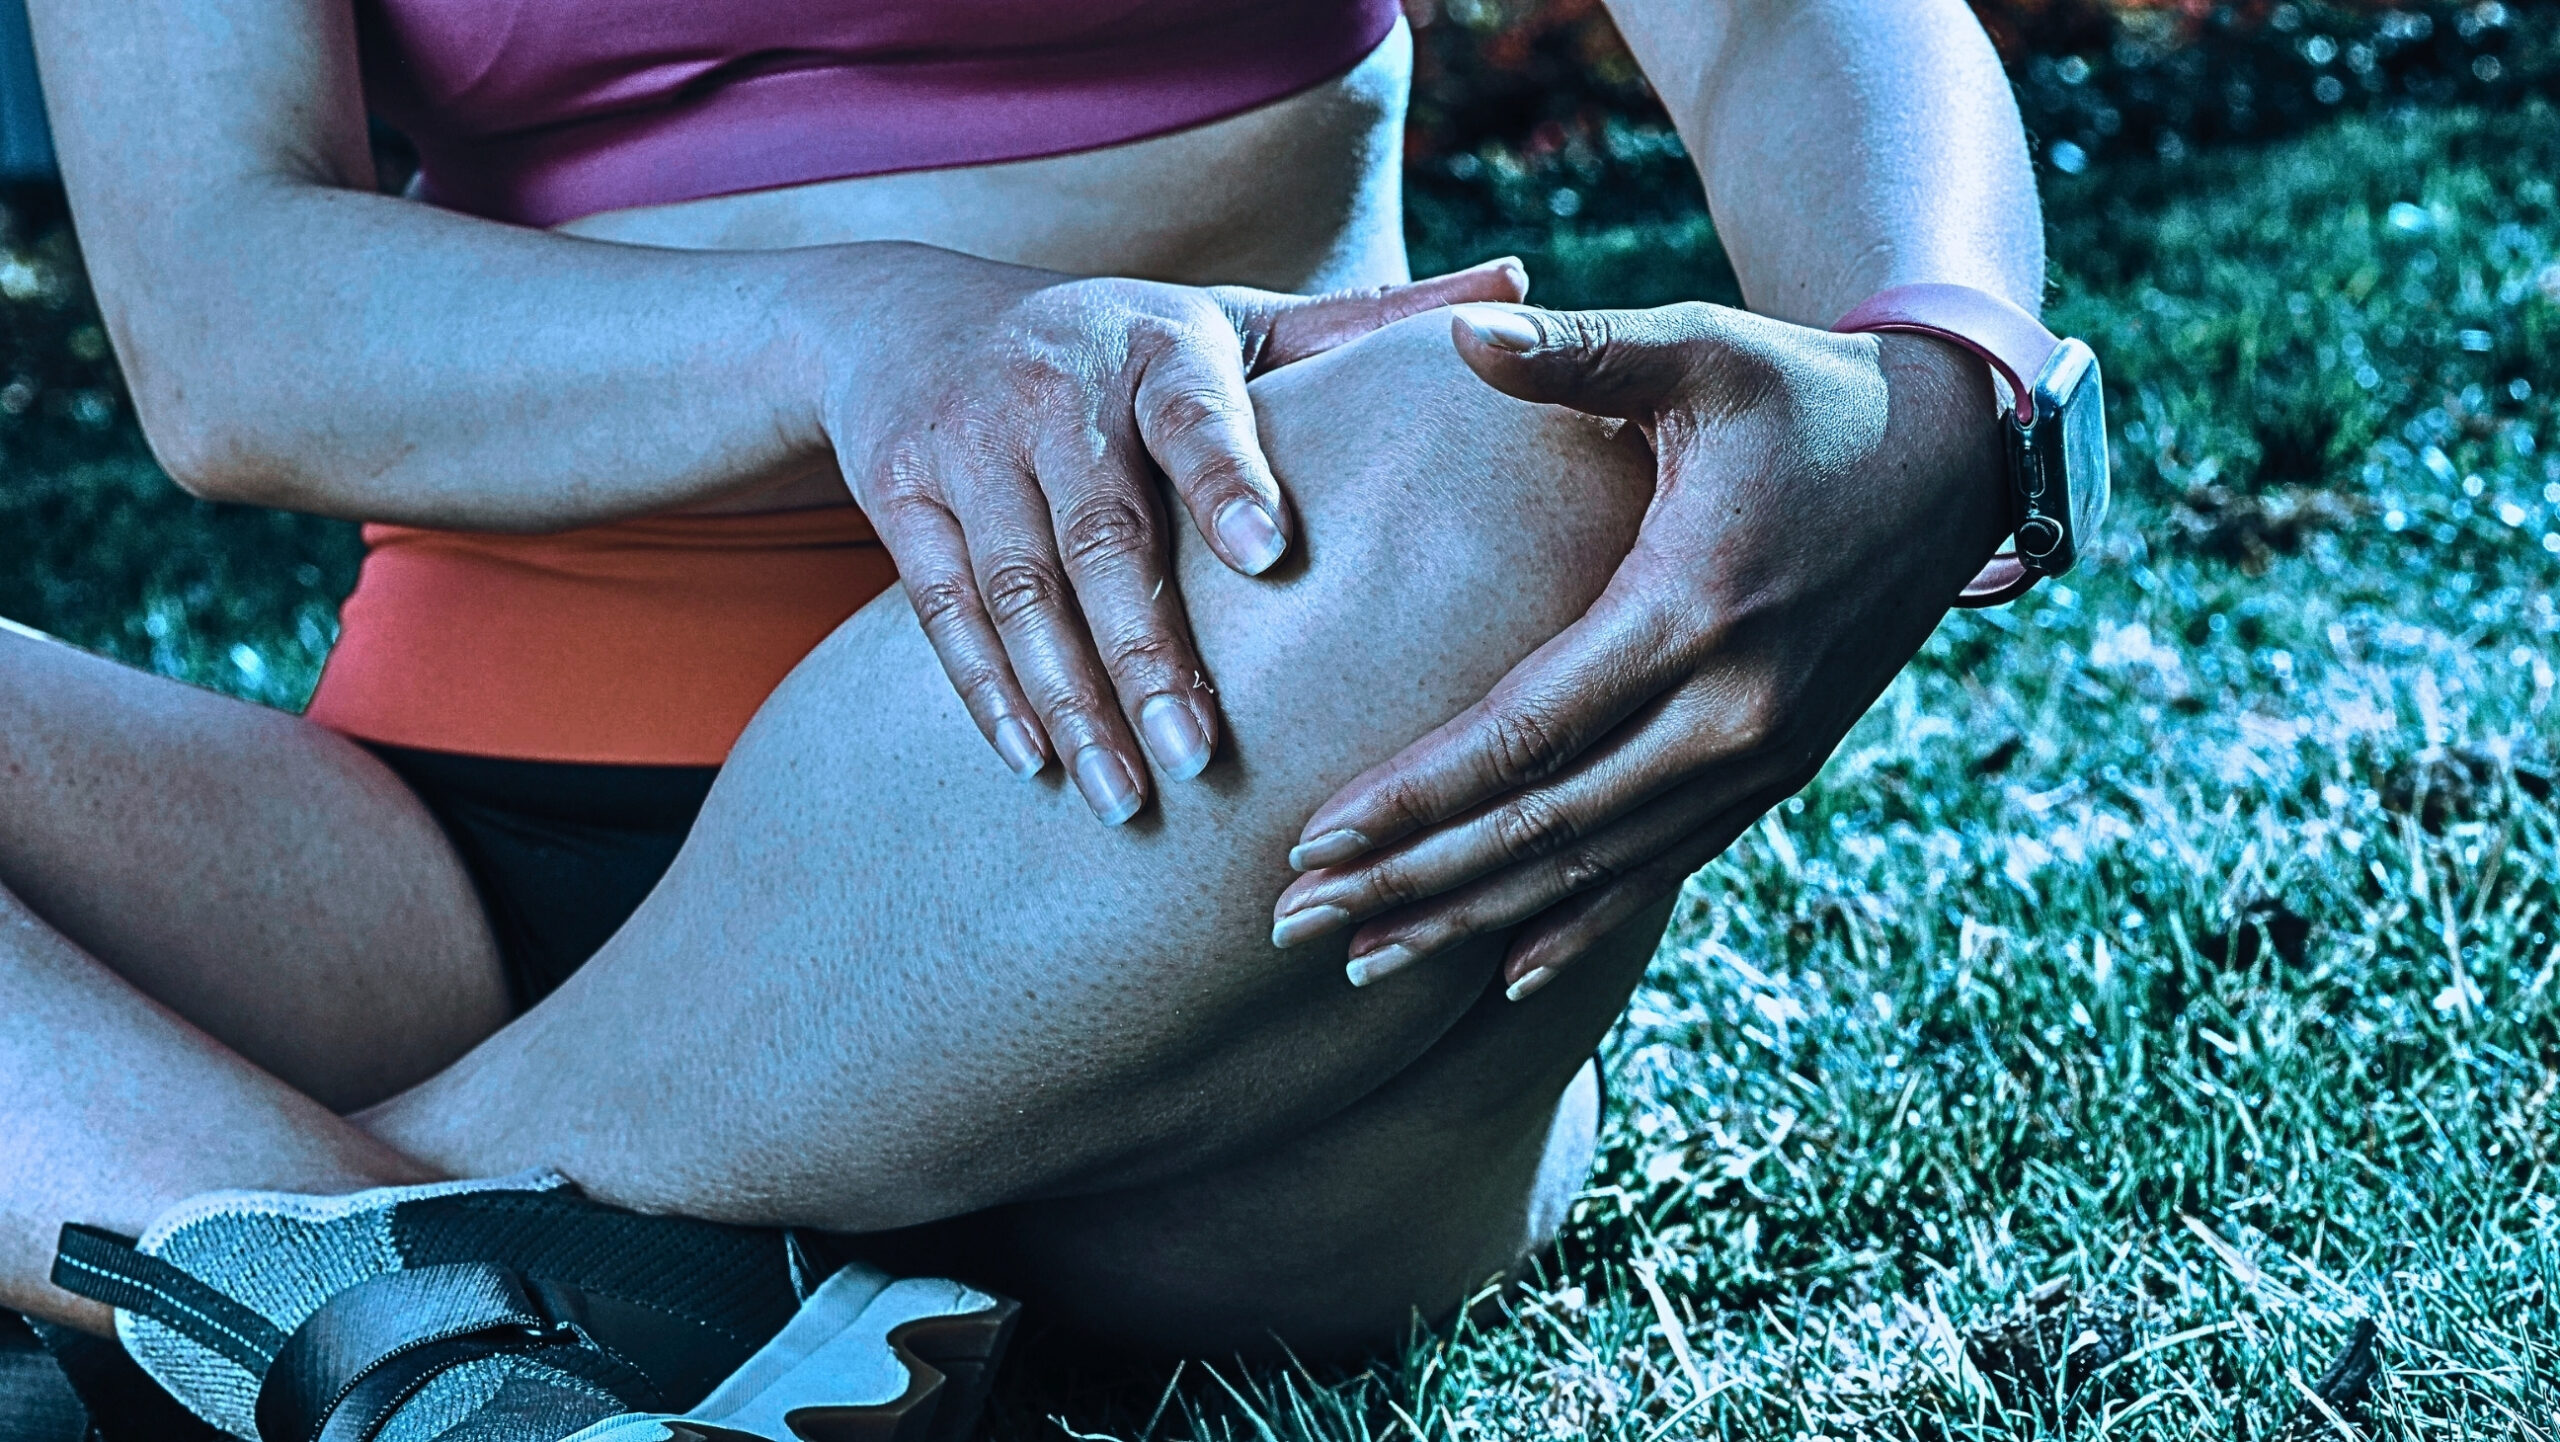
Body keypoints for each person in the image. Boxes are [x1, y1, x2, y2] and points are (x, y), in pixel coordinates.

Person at [1, 0, 2042, 1430]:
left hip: (1202, 841)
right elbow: (222, 319)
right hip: (420, 882)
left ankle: (269, 1262)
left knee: (1520, 465)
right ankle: (430, 1331)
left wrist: (1940, 370)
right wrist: (856, 329)